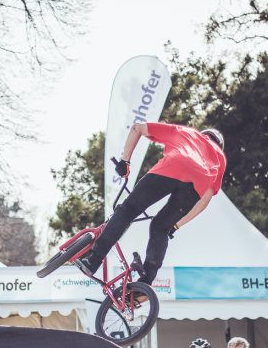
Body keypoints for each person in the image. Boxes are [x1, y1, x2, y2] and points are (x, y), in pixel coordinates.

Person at [76, 122, 226, 287]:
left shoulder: (187, 132)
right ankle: (145, 284)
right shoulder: (220, 157)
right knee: (160, 228)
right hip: (197, 184)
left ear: (203, 134)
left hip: (173, 166)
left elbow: (137, 128)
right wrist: (175, 226)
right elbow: (204, 201)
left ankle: (93, 260)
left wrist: (124, 162)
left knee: (128, 210)